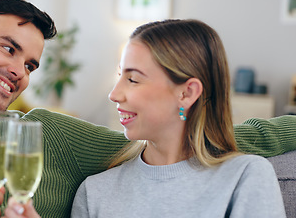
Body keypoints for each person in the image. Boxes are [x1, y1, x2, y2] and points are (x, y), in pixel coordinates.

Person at [0, 0, 294, 218]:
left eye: (31, 63)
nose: (20, 70)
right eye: (9, 47)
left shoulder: (47, 134)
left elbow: (184, 134)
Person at [67, 19, 286, 217]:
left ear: (187, 93)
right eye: (120, 76)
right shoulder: (94, 193)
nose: (114, 94)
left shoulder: (245, 177)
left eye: (133, 79)